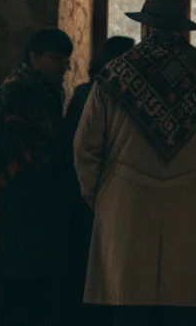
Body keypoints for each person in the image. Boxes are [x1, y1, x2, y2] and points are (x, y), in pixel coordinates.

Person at [73, 0, 196, 326]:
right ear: (182, 28)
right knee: (183, 312)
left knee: (130, 311)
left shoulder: (115, 74)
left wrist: (100, 199)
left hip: (126, 211)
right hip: (194, 212)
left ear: (146, 26)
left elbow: (85, 148)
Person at [0, 28, 75, 326]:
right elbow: (20, 151)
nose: (63, 67)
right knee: (18, 293)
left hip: (37, 206)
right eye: (56, 59)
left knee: (33, 291)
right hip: (18, 204)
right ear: (34, 57)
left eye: (66, 61)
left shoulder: (46, 90)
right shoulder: (18, 92)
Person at [63, 36, 134, 326]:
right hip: (113, 194)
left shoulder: (84, 93)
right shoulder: (120, 96)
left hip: (84, 195)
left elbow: (76, 147)